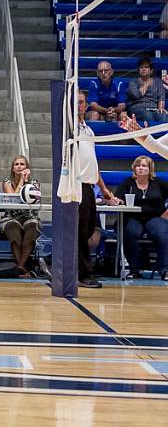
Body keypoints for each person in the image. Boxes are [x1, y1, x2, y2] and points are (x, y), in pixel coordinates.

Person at [74, 89, 120, 289]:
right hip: (75, 187)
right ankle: (82, 273)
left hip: (90, 188)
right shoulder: (69, 130)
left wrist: (105, 190)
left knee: (89, 230)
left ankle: (68, 264)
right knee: (79, 231)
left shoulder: (89, 131)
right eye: (75, 102)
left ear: (86, 105)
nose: (79, 106)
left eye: (82, 102)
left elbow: (93, 165)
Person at [113, 156, 168, 280]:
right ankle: (135, 269)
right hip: (133, 217)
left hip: (155, 217)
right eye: (138, 165)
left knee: (163, 234)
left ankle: (165, 269)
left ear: (150, 169)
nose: (141, 168)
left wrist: (166, 214)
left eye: (144, 166)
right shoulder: (127, 183)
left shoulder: (159, 183)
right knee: (128, 233)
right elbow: (119, 198)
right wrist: (117, 201)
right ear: (134, 168)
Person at [0, 156, 44, 277]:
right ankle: (21, 266)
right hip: (11, 216)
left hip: (29, 216)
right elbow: (12, 198)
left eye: (22, 164)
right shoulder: (7, 182)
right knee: (13, 229)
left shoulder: (35, 183)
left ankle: (20, 266)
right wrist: (21, 181)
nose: (19, 166)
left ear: (27, 167)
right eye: (16, 164)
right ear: (13, 169)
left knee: (32, 228)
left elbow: (34, 199)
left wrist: (27, 181)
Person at [126, 56, 168, 124]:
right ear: (138, 70)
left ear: (151, 70)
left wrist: (161, 109)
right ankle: (150, 134)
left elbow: (161, 97)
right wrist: (147, 84)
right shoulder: (133, 82)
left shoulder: (158, 82)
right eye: (141, 67)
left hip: (153, 108)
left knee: (163, 117)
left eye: (146, 67)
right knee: (148, 116)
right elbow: (136, 95)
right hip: (138, 108)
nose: (143, 69)